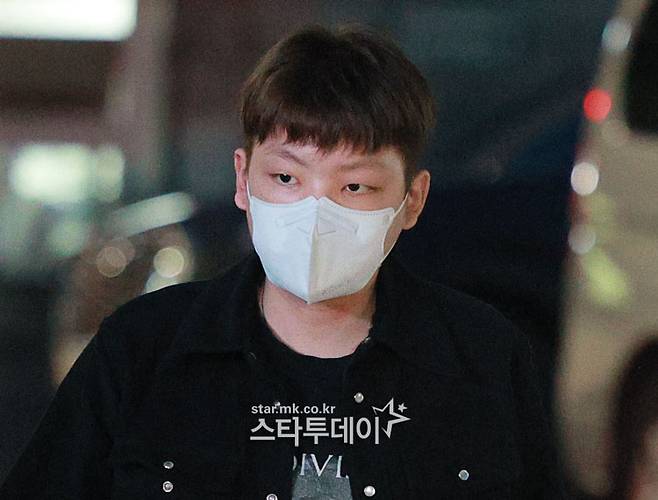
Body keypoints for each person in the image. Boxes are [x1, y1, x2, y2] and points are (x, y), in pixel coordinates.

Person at [0, 24, 565, 499]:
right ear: (243, 179)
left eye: (355, 186)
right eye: (287, 178)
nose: (315, 214)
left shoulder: (482, 357)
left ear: (412, 200)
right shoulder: (142, 351)